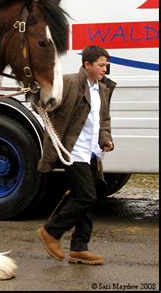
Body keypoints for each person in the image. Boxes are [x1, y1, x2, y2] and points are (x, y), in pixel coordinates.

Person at [37, 45, 116, 265]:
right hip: (72, 151)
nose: (104, 69)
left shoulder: (102, 89)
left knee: (89, 199)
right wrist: (40, 97)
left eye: (106, 65)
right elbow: (42, 101)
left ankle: (80, 247)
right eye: (101, 65)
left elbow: (104, 121)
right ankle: (51, 231)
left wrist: (106, 140)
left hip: (91, 152)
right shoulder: (70, 83)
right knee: (86, 196)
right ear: (87, 65)